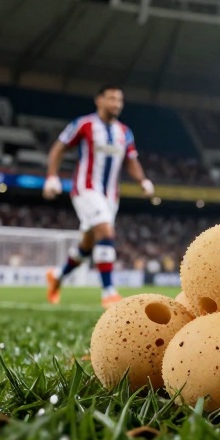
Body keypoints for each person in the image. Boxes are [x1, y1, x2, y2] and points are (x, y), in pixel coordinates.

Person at [42, 85, 154, 308]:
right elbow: (58, 148)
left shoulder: (125, 132)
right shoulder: (84, 124)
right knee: (105, 230)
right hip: (86, 189)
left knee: (87, 245)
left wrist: (143, 180)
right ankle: (109, 292)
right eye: (111, 98)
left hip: (111, 195)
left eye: (120, 100)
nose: (116, 104)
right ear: (99, 100)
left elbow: (131, 161)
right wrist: (52, 177)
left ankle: (57, 276)